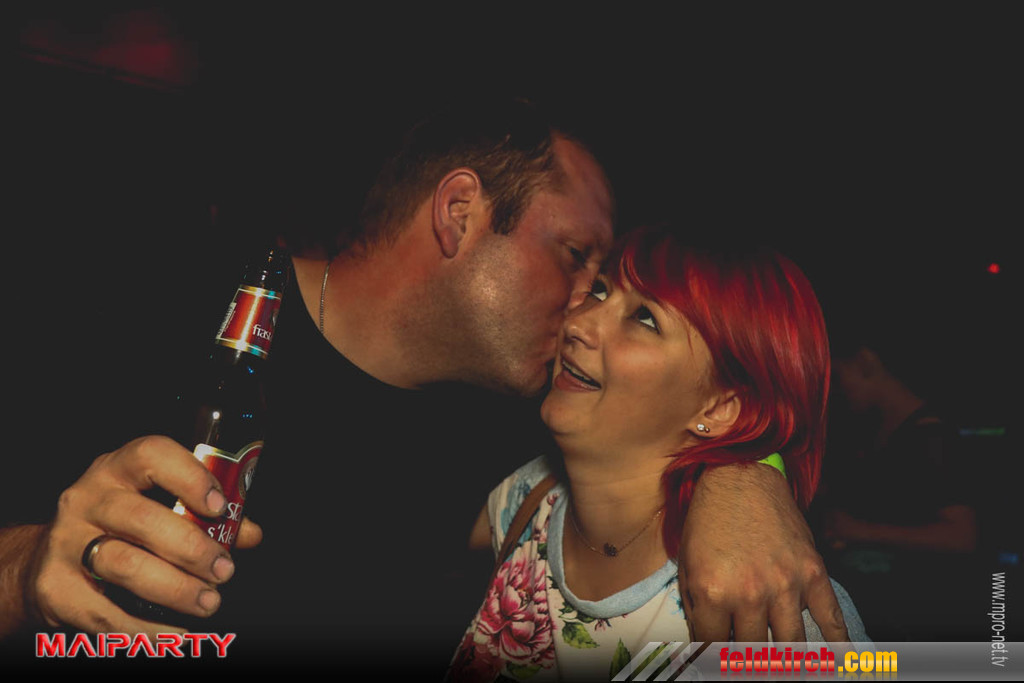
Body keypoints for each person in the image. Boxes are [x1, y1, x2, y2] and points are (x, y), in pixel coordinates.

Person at [0, 99, 849, 675]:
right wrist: (30, 570)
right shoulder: (158, 302)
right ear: (460, 212)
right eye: (578, 261)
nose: (586, 306)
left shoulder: (517, 431)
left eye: (614, 290)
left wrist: (751, 471)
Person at [449, 229, 869, 682]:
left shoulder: (766, 602)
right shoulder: (528, 497)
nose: (577, 325)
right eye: (599, 291)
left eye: (645, 318)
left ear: (719, 408)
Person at [814, 300, 980, 640]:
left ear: (865, 362)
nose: (836, 389)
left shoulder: (931, 437)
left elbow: (963, 537)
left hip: (929, 623)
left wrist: (860, 530)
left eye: (839, 375)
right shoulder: (875, 432)